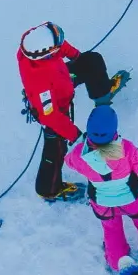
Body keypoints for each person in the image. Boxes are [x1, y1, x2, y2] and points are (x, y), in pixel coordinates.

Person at [62, 105, 138, 275]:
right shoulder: (126, 149)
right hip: (133, 199)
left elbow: (68, 161)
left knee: (111, 229)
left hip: (102, 203)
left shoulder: (79, 154)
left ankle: (117, 262)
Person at [16, 22, 120, 200]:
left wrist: (76, 57)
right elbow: (51, 117)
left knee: (91, 61)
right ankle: (48, 189)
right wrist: (76, 136)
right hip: (54, 105)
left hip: (61, 78)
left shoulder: (38, 39)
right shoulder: (38, 82)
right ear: (48, 54)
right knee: (56, 148)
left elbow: (60, 45)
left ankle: (102, 94)